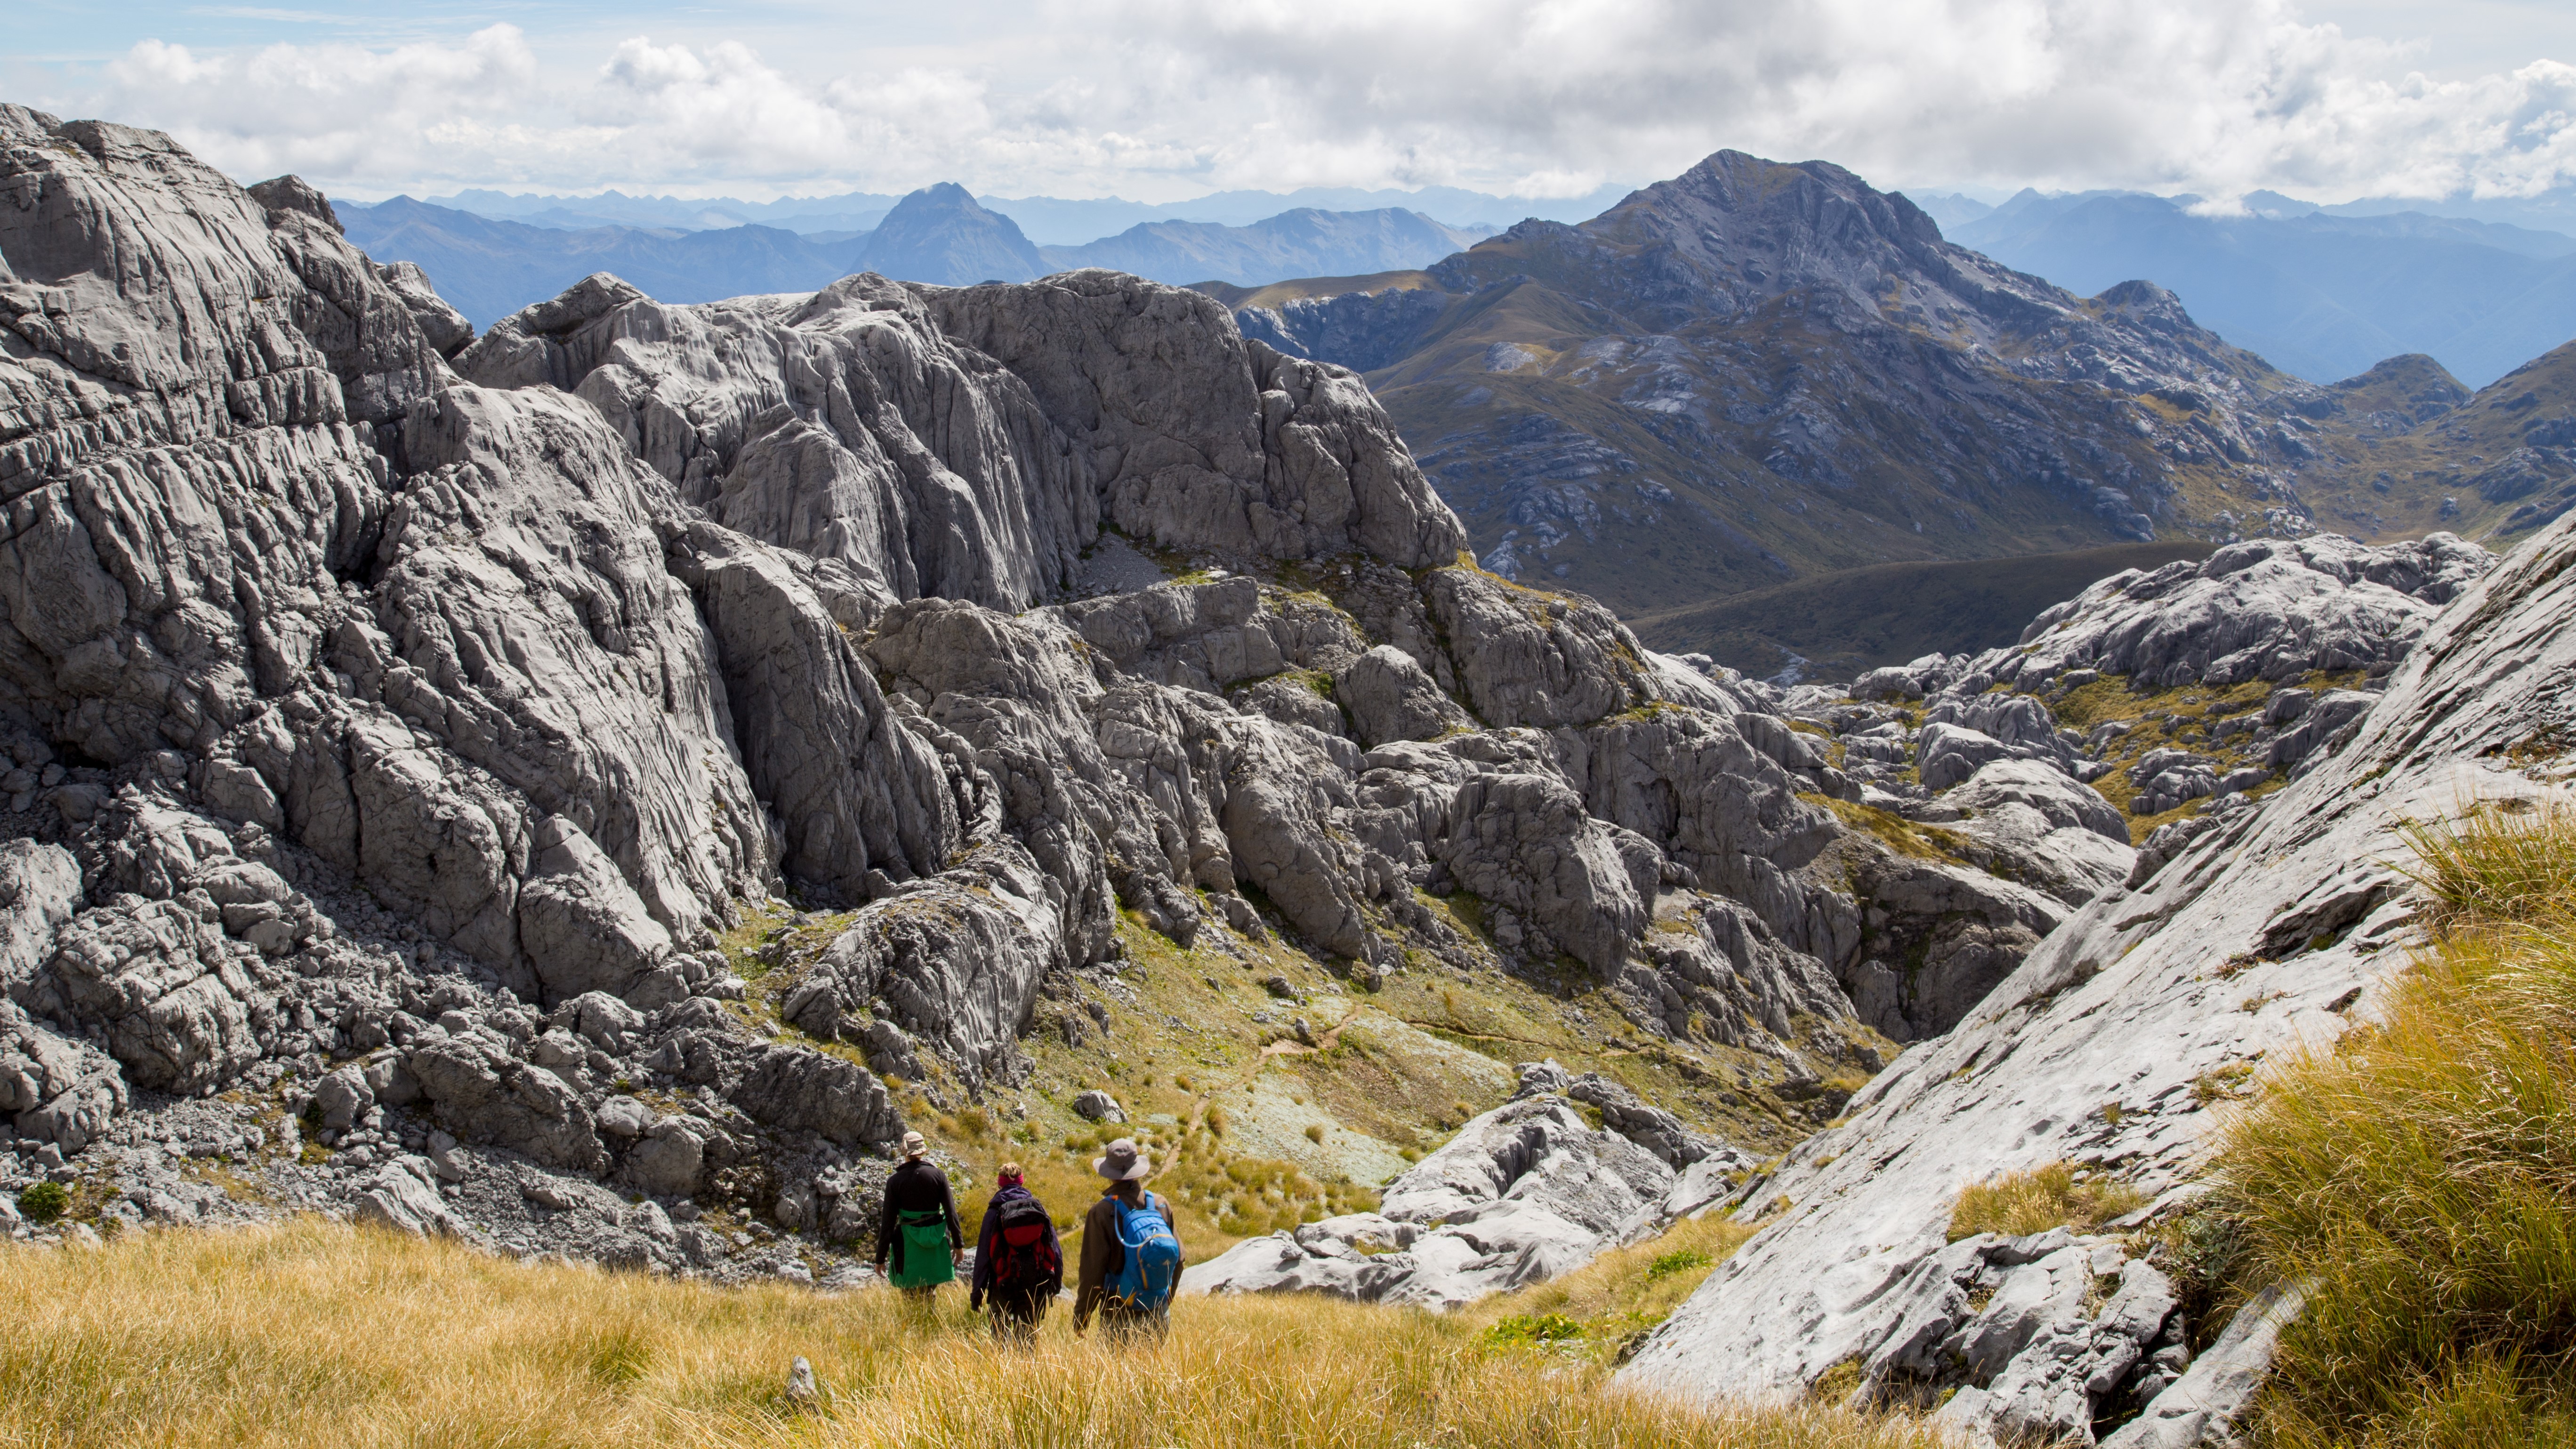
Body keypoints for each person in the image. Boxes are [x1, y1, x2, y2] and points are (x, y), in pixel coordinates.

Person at [1071, 1137, 1183, 1344]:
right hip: (1158, 1314)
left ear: (1109, 1174)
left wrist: (1082, 1318)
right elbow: (1180, 1258)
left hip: (1118, 1315)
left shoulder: (1101, 1213)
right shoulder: (1160, 1205)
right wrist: (1167, 1297)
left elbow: (1092, 1273)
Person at [969, 1162, 1063, 1345]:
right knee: (1027, 1339)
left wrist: (977, 1296)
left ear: (1000, 1184)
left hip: (1002, 1283)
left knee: (1000, 1336)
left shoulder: (993, 1213)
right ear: (1022, 1183)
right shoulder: (1037, 1209)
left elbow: (982, 1257)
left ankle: (1003, 1370)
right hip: (1033, 1283)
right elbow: (1055, 1249)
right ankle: (1026, 1370)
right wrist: (1055, 1285)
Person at [873, 1130, 962, 1298]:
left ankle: (918, 1322)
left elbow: (887, 1225)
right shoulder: (939, 1176)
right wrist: (959, 1246)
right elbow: (951, 1214)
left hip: (908, 1246)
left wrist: (880, 1259)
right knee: (930, 1290)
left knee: (910, 1294)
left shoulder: (895, 1182)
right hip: (935, 1242)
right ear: (923, 1151)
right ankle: (930, 1320)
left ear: (905, 1152)